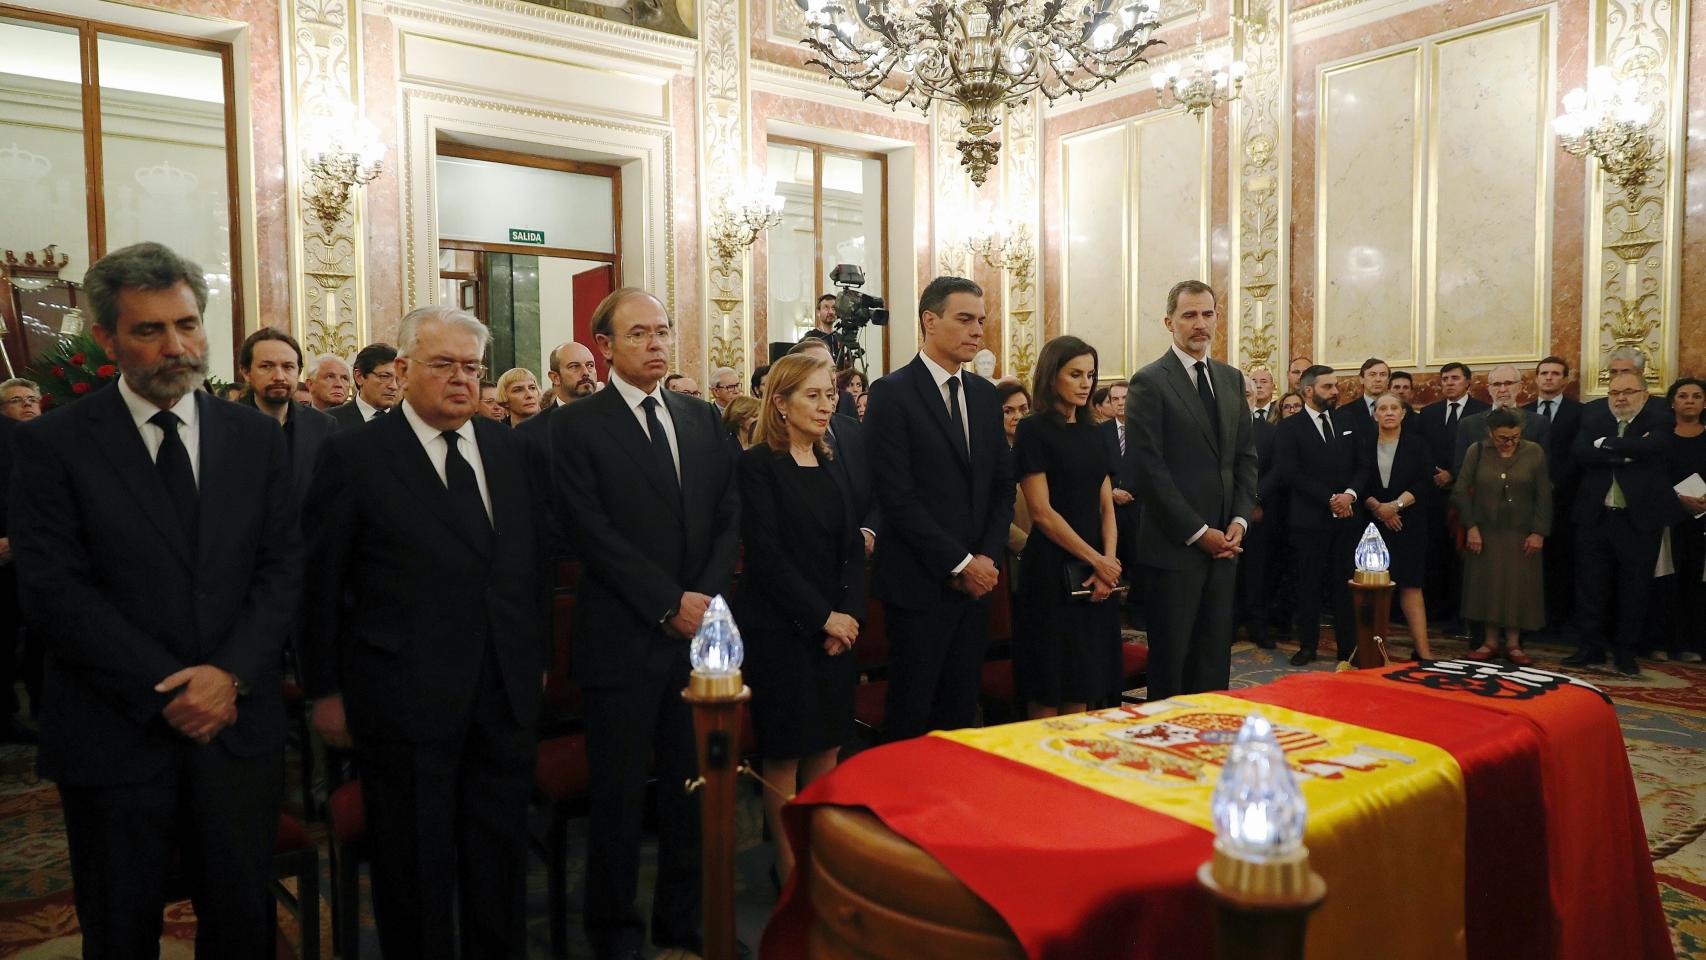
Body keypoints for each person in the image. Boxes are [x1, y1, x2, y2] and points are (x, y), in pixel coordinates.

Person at [11, 241, 302, 955]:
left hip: (236, 730)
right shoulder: (53, 445)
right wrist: (170, 689)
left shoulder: (256, 438)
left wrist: (227, 676)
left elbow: (283, 569)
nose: (177, 346)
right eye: (150, 330)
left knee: (242, 922)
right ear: (107, 337)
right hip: (114, 734)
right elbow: (54, 590)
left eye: (188, 324)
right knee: (120, 926)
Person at [302, 305, 548, 959]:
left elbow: (526, 565)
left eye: (473, 367)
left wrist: (534, 658)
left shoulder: (504, 446)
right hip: (402, 695)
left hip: (502, 690)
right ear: (405, 369)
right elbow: (320, 582)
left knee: (498, 860)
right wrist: (324, 690)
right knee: (413, 866)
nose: (462, 380)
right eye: (444, 365)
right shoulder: (353, 454)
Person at [551, 287, 740, 959]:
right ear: (604, 347)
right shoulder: (576, 426)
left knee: (694, 797)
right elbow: (590, 533)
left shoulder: (701, 418)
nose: (657, 343)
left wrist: (703, 596)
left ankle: (684, 929)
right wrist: (668, 602)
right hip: (624, 639)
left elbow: (727, 516)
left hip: (699, 639)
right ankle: (616, 936)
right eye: (640, 334)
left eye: (663, 330)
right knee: (620, 802)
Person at [733, 354, 867, 884]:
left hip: (835, 631)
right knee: (786, 752)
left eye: (829, 395)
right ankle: (790, 871)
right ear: (781, 403)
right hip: (780, 632)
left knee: (828, 746)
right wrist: (822, 619)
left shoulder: (832, 459)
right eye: (812, 396)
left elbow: (852, 550)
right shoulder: (757, 465)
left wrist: (849, 617)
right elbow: (766, 557)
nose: (825, 405)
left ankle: (821, 859)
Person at [864, 276, 1014, 739]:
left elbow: (1001, 487)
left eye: (981, 321)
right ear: (930, 321)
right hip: (919, 583)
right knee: (911, 713)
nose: (977, 331)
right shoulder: (892, 393)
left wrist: (986, 557)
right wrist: (961, 562)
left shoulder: (986, 396)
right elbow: (896, 497)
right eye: (964, 319)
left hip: (975, 585)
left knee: (959, 712)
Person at [1126, 281, 1257, 697]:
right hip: (1175, 548)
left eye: (1207, 314)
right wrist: (1200, 533)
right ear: (1170, 322)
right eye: (1189, 315)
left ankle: (1211, 739)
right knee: (1173, 663)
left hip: (1225, 547)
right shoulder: (1149, 381)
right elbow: (1149, 470)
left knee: (1214, 658)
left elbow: (1245, 458)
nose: (1200, 324)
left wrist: (1238, 520)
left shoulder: (1232, 379)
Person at [1014, 336, 1121, 715]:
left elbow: (1106, 504)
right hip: (1051, 568)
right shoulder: (1034, 430)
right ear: (1051, 376)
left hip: (1096, 568)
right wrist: (1097, 560)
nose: (1085, 383)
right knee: (1048, 684)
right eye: (1074, 374)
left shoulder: (1096, 432)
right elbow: (1042, 512)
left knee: (1083, 680)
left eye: (1090, 375)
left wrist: (1108, 564)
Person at [1565, 371, 1680, 677]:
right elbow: (1580, 452)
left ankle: (1625, 652)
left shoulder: (1659, 418)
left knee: (1634, 588)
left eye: (1628, 391)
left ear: (1644, 394)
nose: (1620, 398)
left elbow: (1654, 448)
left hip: (1638, 520)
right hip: (1595, 517)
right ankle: (1590, 646)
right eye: (1614, 392)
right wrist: (1625, 454)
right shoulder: (1594, 418)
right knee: (1591, 586)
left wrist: (1606, 445)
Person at [1273, 364, 1364, 665]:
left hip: (1347, 518)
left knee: (1344, 585)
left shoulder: (1348, 420)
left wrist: (1349, 496)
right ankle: (1308, 646)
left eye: (1335, 386)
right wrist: (1329, 499)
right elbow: (1289, 472)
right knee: (1308, 585)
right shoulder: (1289, 427)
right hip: (1308, 520)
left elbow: (1363, 466)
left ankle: (1347, 648)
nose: (1335, 392)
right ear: (1309, 390)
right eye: (1328, 387)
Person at [1454, 408, 1551, 666]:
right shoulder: (1476, 451)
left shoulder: (1534, 452)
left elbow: (1544, 495)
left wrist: (1539, 532)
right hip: (1485, 531)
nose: (1509, 443)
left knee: (1517, 588)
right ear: (1490, 433)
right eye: (1502, 438)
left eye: (1514, 437)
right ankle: (1489, 642)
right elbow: (1461, 490)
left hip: (1521, 531)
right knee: (1488, 586)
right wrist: (1471, 526)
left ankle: (1514, 644)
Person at [1360, 393, 1433, 658]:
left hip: (1409, 524)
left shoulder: (1418, 444)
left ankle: (1423, 652)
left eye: (1394, 408)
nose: (1389, 412)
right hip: (1372, 526)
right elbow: (1358, 481)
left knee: (1411, 585)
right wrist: (1379, 509)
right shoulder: (1364, 444)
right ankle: (1373, 651)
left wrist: (1396, 506)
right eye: (1383, 408)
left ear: (1403, 414)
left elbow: (1425, 481)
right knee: (1375, 589)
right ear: (1375, 414)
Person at [1418, 361, 1489, 629]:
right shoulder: (1428, 413)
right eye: (1445, 378)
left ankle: (1465, 613)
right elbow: (1420, 449)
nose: (1449, 382)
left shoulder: (1483, 412)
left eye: (1455, 378)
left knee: (1465, 557)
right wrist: (1436, 474)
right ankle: (1437, 610)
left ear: (1468, 382)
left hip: (1469, 494)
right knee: (1436, 554)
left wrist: (1454, 474)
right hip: (1434, 495)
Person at [236, 327, 337, 504]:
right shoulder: (223, 424)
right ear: (246, 372)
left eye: (288, 367)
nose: (279, 376)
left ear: (298, 372)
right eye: (266, 366)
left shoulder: (323, 426)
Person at [1525, 355, 1583, 640]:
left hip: (1564, 499)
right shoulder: (1521, 412)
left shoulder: (1579, 412)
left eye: (1554, 373)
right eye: (1543, 373)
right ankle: (1532, 620)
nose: (1548, 378)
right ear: (1536, 378)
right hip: (1526, 501)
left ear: (1565, 379)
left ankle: (1559, 622)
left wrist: (1553, 484)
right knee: (1530, 564)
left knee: (1562, 562)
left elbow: (1577, 454)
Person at [1656, 378, 1706, 662]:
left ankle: (1693, 643)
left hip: (1702, 521)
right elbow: (1654, 477)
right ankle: (1665, 641)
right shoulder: (1662, 437)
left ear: (1704, 403)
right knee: (1667, 581)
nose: (1690, 401)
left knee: (1696, 581)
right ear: (1673, 402)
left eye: (1696, 396)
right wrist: (1678, 500)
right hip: (1669, 518)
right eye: (1683, 395)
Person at [1453, 364, 1550, 468]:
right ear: (1489, 389)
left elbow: (1544, 466)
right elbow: (1461, 467)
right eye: (1496, 384)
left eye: (1508, 383)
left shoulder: (1539, 422)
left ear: (1520, 387)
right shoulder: (1468, 424)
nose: (1502, 389)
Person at [999, 381, 1034, 558]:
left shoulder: (1039, 450)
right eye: (1008, 411)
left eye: (1023, 409)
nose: (1018, 416)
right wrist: (1025, 544)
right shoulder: (990, 455)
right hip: (1008, 551)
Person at [327, 342, 399, 428]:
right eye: (384, 376)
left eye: (398, 379)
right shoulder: (329, 421)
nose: (394, 386)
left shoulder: (408, 421)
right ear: (359, 377)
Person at [1337, 357, 1389, 438]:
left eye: (1383, 375)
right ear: (1361, 379)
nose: (1378, 379)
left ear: (1388, 380)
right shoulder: (1345, 412)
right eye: (1372, 375)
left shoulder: (1401, 410)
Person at [544, 340, 599, 406]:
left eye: (590, 365)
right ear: (555, 378)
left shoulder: (612, 414)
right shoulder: (547, 416)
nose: (586, 372)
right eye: (574, 366)